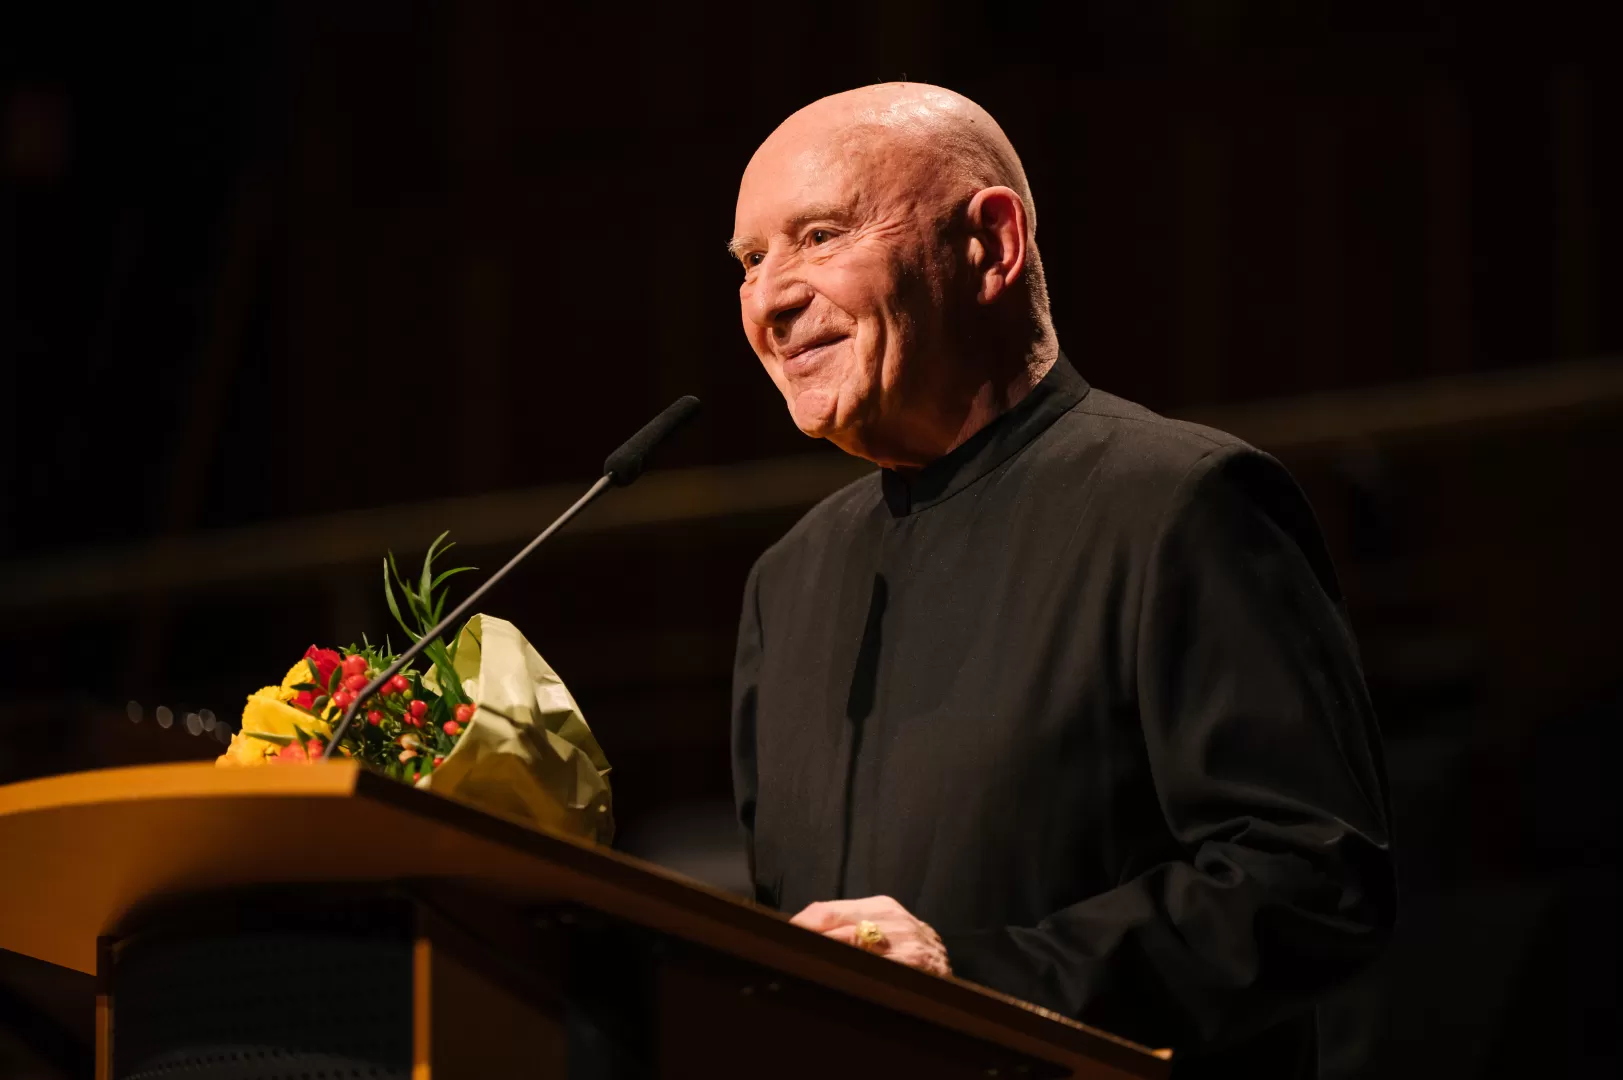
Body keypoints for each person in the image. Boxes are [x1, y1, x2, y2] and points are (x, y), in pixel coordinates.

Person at [727, 83, 1394, 1078]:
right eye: (749, 261)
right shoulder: (788, 585)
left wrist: (976, 980)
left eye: (820, 237)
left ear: (991, 244)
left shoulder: (1180, 503)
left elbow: (1309, 880)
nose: (772, 300)